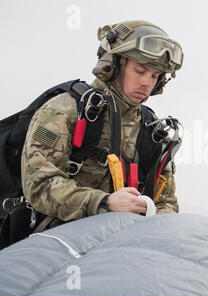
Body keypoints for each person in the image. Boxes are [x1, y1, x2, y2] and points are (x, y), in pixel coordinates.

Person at [20, 20, 183, 229]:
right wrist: (103, 203)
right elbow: (38, 185)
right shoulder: (65, 110)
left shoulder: (153, 131)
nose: (147, 83)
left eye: (155, 76)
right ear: (113, 65)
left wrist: (152, 214)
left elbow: (167, 202)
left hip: (124, 247)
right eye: (140, 71)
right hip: (58, 244)